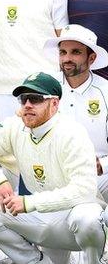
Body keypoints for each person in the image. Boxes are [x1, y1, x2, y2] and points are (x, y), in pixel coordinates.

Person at [0, 72, 106, 263]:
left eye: (35, 99)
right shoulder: (15, 126)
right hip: (42, 216)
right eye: (23, 99)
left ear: (54, 104)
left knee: (88, 219)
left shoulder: (72, 133)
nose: (27, 105)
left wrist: (28, 203)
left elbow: (85, 191)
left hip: (72, 216)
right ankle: (36, 261)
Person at [43, 24, 108, 200]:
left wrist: (101, 165)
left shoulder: (106, 91)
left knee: (86, 219)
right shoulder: (44, 87)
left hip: (99, 177)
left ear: (92, 58)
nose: (67, 58)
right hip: (53, 178)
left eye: (75, 52)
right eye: (63, 52)